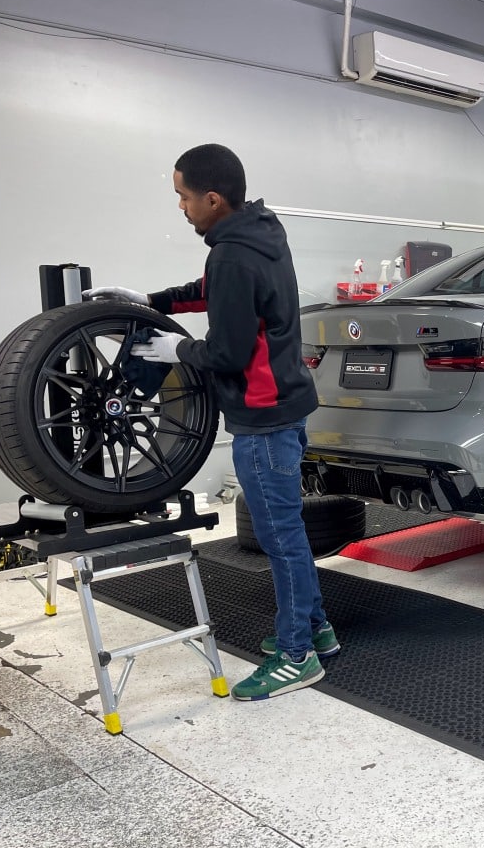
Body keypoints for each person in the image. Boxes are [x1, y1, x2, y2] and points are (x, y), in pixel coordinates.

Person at [85, 143, 337, 701]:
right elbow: (219, 295)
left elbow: (225, 351)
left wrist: (176, 351)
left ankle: (298, 656)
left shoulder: (231, 254)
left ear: (214, 198)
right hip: (285, 408)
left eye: (183, 196)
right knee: (285, 533)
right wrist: (153, 299)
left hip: (262, 420)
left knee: (282, 540)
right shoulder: (258, 234)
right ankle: (317, 630)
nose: (180, 206)